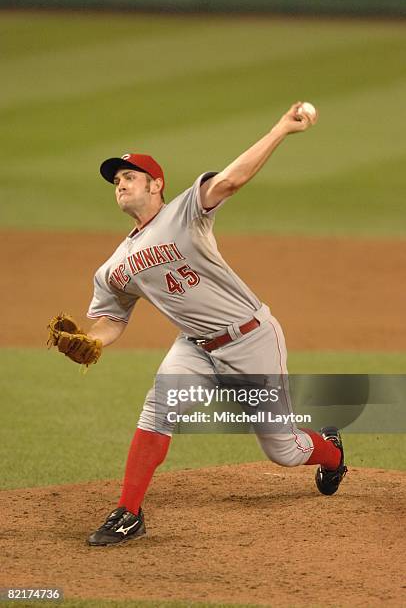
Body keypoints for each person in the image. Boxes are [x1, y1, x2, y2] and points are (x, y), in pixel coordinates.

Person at [85, 102, 347, 546]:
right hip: (194, 347)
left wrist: (281, 128)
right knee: (157, 410)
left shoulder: (185, 211)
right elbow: (109, 319)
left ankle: (331, 453)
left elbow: (231, 179)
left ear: (157, 184)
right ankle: (128, 512)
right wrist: (88, 341)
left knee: (282, 450)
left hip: (251, 339)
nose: (121, 184)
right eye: (116, 180)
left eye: (130, 176)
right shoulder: (115, 266)